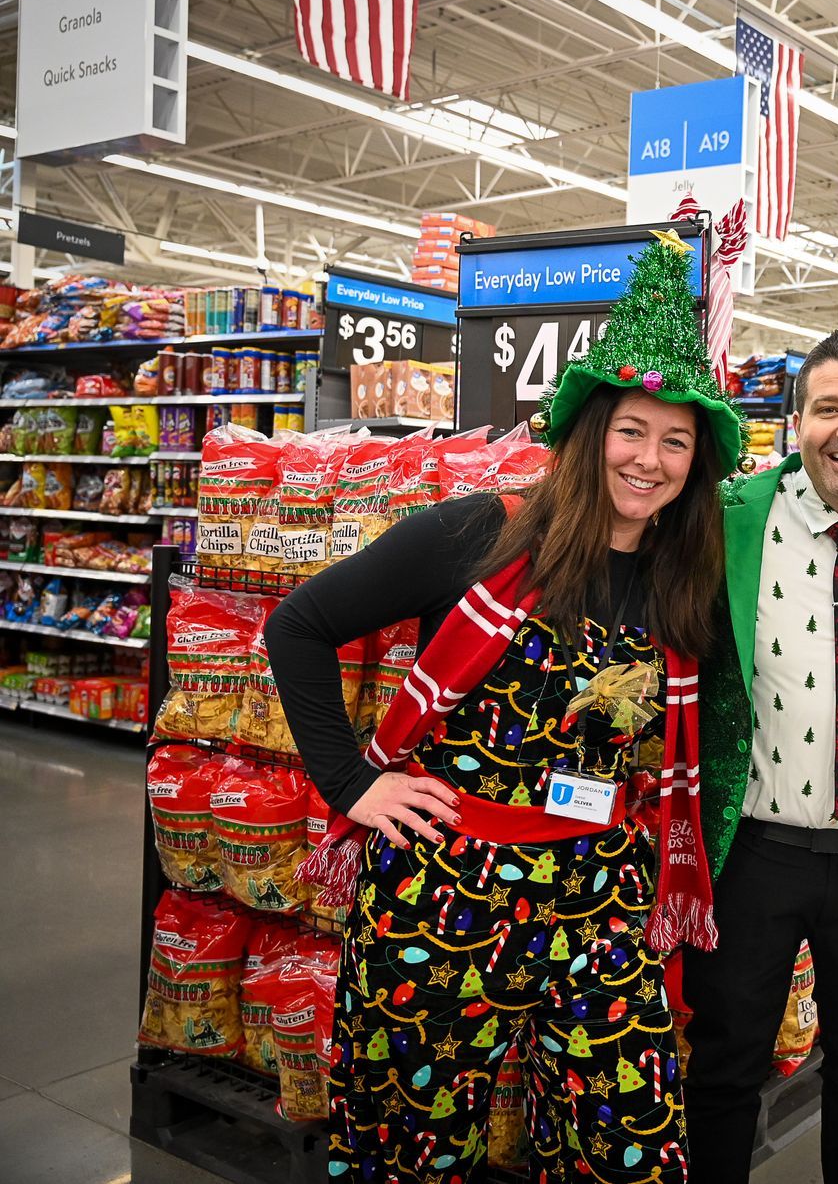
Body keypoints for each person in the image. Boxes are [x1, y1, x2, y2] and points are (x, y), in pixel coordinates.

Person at [267, 237, 737, 1183]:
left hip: (600, 892)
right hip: (442, 888)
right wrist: (352, 781)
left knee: (634, 1147)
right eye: (632, 430)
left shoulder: (685, 584)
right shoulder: (477, 532)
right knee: (411, 1149)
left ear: (698, 459)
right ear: (587, 429)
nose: (650, 460)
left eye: (676, 439)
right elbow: (299, 625)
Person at [685, 328, 838, 1183]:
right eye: (828, 408)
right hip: (754, 851)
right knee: (725, 1062)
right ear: (797, 422)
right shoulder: (728, 515)